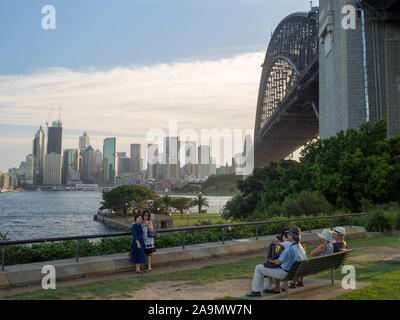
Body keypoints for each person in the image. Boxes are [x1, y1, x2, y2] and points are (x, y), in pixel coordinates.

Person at [246, 226, 306, 297]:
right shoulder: (300, 247)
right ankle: (268, 288)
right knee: (267, 267)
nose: (287, 235)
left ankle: (256, 291)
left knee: (258, 267)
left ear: (292, 236)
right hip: (293, 273)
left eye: (289, 234)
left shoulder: (289, 249)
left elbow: (278, 262)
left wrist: (270, 260)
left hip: (284, 273)